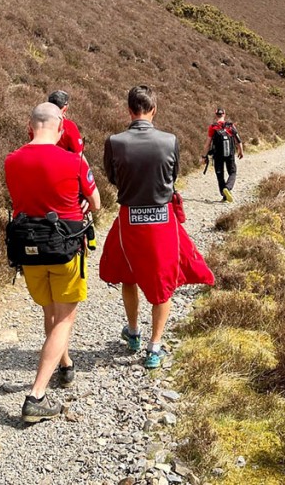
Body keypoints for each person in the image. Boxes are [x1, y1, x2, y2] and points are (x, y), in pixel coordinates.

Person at [100, 86, 214, 369]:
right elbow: (172, 175)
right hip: (163, 219)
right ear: (154, 110)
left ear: (129, 110)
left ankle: (134, 332)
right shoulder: (169, 140)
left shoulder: (115, 141)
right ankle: (155, 346)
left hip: (130, 217)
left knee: (129, 273)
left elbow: (112, 177)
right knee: (163, 282)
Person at [5, 102, 101, 423]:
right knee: (65, 319)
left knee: (50, 312)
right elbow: (97, 204)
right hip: (64, 249)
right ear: (61, 127)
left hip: (28, 251)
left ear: (30, 127)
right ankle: (36, 395)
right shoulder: (72, 161)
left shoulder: (11, 161)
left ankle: (64, 365)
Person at [48, 89, 96, 251]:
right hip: (67, 175)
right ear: (65, 107)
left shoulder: (37, 124)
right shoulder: (68, 126)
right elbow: (79, 156)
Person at [203, 108, 244, 203]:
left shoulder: (213, 127)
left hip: (217, 154)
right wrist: (240, 151)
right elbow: (238, 140)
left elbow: (207, 144)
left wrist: (204, 156)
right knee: (232, 172)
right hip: (229, 153)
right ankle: (228, 188)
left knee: (220, 175)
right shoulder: (230, 126)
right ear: (224, 114)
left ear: (216, 115)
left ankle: (224, 194)